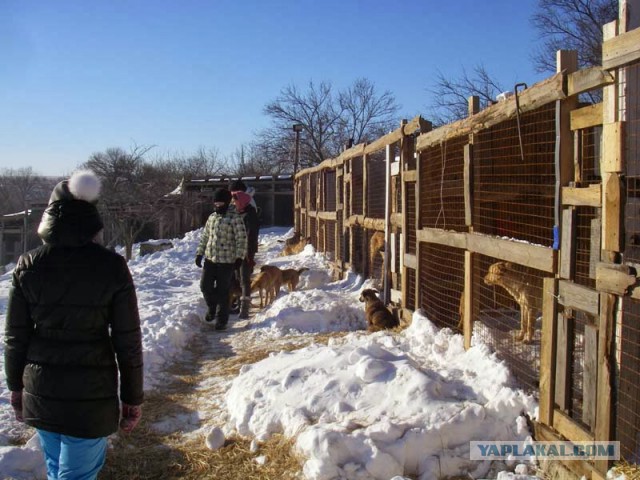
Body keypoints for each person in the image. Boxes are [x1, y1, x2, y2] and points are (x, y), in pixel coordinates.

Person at [4, 170, 144, 480]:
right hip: (91, 395)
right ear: (91, 217)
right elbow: (128, 339)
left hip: (42, 388)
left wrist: (16, 388)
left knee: (57, 470)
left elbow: (15, 337)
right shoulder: (112, 266)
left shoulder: (28, 265)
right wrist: (133, 397)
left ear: (49, 216)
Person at [195, 187, 247, 330]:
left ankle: (221, 320)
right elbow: (205, 236)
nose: (217, 206)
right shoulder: (212, 217)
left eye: (220, 203)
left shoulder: (234, 218)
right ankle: (212, 308)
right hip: (210, 259)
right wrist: (199, 253)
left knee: (223, 291)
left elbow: (242, 239)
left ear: (226, 202)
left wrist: (239, 257)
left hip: (227, 260)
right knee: (205, 286)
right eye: (215, 204)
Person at [230, 179, 260, 319]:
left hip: (246, 250)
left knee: (244, 278)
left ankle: (245, 308)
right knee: (237, 277)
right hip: (236, 250)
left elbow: (251, 234)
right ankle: (239, 303)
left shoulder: (250, 213)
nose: (233, 203)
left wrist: (248, 253)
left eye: (235, 200)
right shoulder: (238, 211)